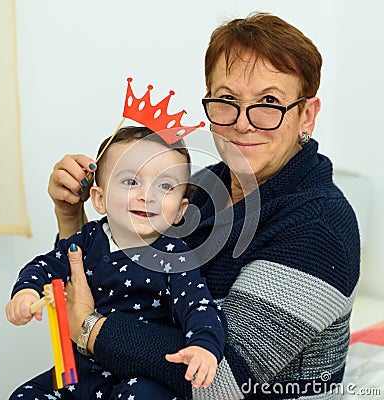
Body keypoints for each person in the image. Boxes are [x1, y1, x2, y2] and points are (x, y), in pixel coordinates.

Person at [46, 11, 359, 400]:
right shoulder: (201, 188)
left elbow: (221, 380)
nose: (243, 123)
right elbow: (110, 283)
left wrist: (91, 329)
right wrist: (70, 216)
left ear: (306, 115)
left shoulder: (318, 226)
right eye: (227, 100)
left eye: (269, 101)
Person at [6, 126, 227, 399]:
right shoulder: (87, 239)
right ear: (99, 199)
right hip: (81, 372)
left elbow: (198, 306)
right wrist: (26, 291)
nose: (148, 195)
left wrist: (203, 346)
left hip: (141, 376)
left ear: (180, 210)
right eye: (131, 182)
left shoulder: (175, 256)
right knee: (26, 394)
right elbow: (45, 266)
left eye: (165, 185)